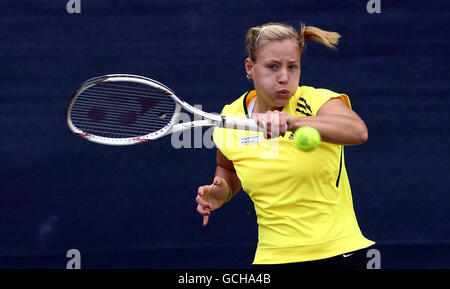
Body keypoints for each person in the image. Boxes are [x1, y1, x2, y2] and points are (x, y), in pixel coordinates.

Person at [195, 22, 375, 269]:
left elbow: (358, 131)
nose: (284, 77)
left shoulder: (315, 101)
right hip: (273, 258)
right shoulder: (231, 118)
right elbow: (227, 167)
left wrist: (293, 122)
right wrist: (222, 192)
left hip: (340, 253)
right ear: (250, 68)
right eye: (272, 67)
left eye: (293, 67)